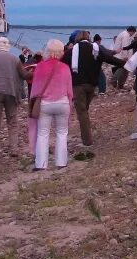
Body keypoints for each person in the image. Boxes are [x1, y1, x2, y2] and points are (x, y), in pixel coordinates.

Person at [62, 31, 122, 157]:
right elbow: (110, 59)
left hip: (78, 85)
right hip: (92, 86)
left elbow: (60, 65)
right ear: (88, 38)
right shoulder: (96, 49)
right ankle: (86, 132)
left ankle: (87, 140)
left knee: (82, 111)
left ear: (76, 39)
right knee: (85, 110)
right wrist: (125, 64)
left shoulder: (71, 52)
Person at [29, 39, 74, 170]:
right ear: (61, 52)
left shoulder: (40, 67)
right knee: (62, 133)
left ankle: (41, 164)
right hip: (62, 102)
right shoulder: (65, 67)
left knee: (43, 133)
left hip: (45, 103)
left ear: (47, 51)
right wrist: (70, 104)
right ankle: (61, 163)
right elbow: (69, 90)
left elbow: (35, 88)